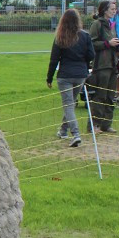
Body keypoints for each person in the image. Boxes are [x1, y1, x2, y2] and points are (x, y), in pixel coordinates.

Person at [46, 8, 95, 148]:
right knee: (70, 103)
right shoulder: (85, 36)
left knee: (68, 105)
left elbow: (53, 60)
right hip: (80, 75)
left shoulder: (60, 37)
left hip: (65, 76)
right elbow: (91, 55)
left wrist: (49, 77)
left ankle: (76, 134)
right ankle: (63, 130)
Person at [87, 0, 119, 134]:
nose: (114, 11)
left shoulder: (112, 25)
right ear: (104, 10)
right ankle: (94, 125)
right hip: (101, 65)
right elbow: (91, 43)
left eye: (115, 9)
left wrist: (118, 44)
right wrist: (108, 44)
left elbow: (112, 41)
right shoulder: (97, 25)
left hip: (113, 64)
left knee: (110, 96)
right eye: (112, 9)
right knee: (100, 96)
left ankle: (106, 125)